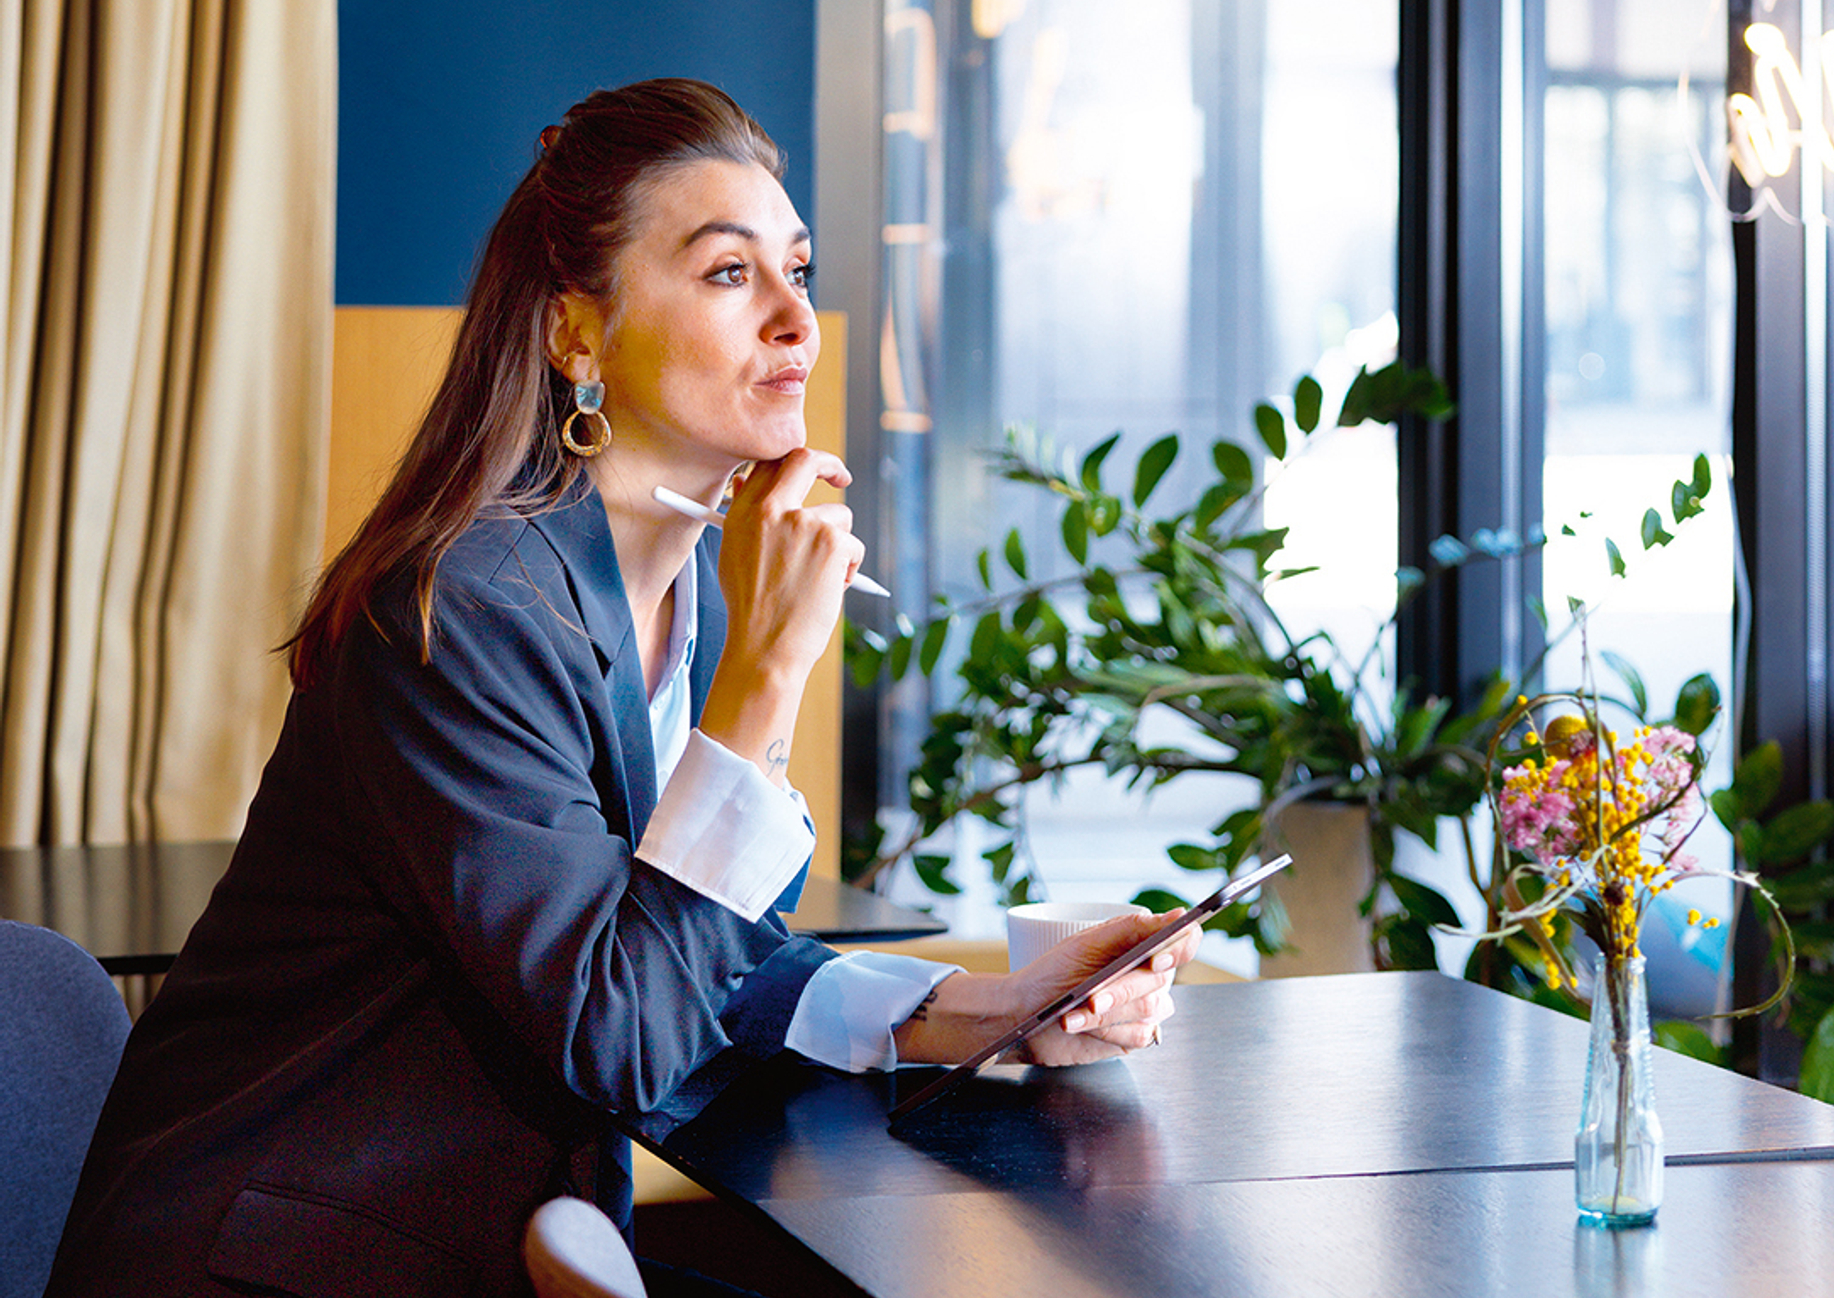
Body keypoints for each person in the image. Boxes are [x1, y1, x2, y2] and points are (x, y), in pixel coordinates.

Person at [47, 78, 1195, 1298]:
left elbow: (698, 950)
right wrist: (765, 677)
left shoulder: (689, 583)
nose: (796, 319)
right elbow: (622, 1032)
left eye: (796, 270)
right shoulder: (462, 608)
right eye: (726, 273)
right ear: (577, 336)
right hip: (291, 1257)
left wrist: (993, 1008)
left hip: (494, 1244)